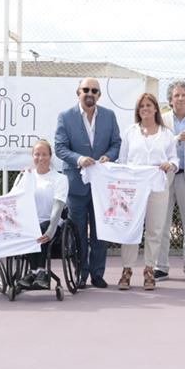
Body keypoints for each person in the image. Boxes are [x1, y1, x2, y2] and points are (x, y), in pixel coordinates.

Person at [54, 76, 122, 289]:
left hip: (102, 186)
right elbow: (60, 148)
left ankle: (97, 274)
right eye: (86, 90)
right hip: (76, 185)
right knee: (78, 233)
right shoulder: (65, 117)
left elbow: (116, 143)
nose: (90, 94)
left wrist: (109, 156)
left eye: (94, 90)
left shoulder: (109, 116)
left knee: (101, 231)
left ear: (99, 95)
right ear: (78, 92)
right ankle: (81, 274)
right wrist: (79, 159)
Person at [118, 92, 179, 291]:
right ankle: (127, 269)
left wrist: (170, 164)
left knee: (155, 229)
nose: (145, 109)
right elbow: (123, 160)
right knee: (131, 229)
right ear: (138, 110)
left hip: (157, 186)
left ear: (155, 109)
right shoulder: (130, 132)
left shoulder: (166, 133)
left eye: (148, 105)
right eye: (142, 106)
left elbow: (174, 158)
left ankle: (149, 270)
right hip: (133, 189)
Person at [153, 80, 185, 283]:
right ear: (170, 100)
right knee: (161, 225)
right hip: (165, 178)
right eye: (176, 95)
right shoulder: (161, 121)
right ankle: (161, 267)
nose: (180, 98)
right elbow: (156, 147)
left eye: (184, 95)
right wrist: (176, 139)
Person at [12, 139, 66, 289]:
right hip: (29, 224)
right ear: (32, 156)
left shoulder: (60, 179)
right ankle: (35, 272)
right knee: (31, 228)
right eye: (37, 154)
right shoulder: (26, 176)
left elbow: (58, 206)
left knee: (39, 228)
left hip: (52, 223)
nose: (40, 158)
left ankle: (38, 271)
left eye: (44, 154)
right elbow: (14, 200)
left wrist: (51, 230)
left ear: (50, 156)